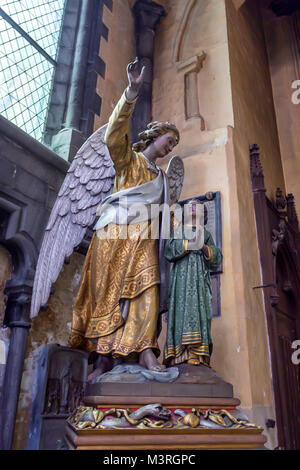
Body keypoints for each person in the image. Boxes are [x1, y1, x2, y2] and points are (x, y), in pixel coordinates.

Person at [68, 59, 179, 382]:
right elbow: (114, 135)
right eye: (168, 141)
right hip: (114, 233)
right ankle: (103, 358)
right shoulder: (129, 160)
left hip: (144, 237)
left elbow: (163, 214)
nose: (170, 147)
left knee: (147, 288)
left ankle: (144, 349)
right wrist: (131, 92)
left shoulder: (160, 176)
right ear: (154, 136)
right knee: (109, 292)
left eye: (173, 144)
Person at [164, 199, 222, 367]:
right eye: (190, 205)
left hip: (199, 279)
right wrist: (189, 244)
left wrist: (203, 247)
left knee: (200, 309)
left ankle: (197, 352)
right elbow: (169, 250)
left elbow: (216, 258)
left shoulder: (206, 233)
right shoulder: (179, 230)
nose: (193, 206)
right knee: (180, 310)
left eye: (197, 205)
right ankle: (178, 353)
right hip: (181, 278)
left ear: (203, 213)